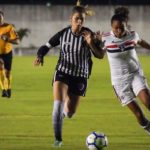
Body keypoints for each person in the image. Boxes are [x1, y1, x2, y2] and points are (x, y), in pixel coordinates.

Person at [34, 2, 104, 147]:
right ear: (70, 19)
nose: (79, 22)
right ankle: (58, 139)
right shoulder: (63, 34)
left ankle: (63, 116)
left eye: (82, 19)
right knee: (57, 107)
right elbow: (46, 46)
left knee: (70, 112)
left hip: (80, 76)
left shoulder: (89, 34)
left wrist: (91, 43)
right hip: (62, 73)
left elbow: (100, 55)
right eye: (76, 18)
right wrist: (40, 55)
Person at [101, 13, 150, 135]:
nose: (118, 30)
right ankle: (148, 128)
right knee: (139, 114)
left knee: (149, 102)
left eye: (121, 28)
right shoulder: (105, 38)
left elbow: (141, 41)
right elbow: (99, 54)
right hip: (119, 82)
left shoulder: (132, 35)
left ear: (125, 26)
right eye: (115, 28)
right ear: (111, 27)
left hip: (135, 74)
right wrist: (91, 42)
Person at [0, 11, 19, 98]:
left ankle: (8, 88)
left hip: (7, 53)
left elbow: (17, 41)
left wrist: (7, 39)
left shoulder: (9, 27)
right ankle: (4, 89)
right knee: (0, 68)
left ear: (3, 17)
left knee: (7, 73)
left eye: (0, 17)